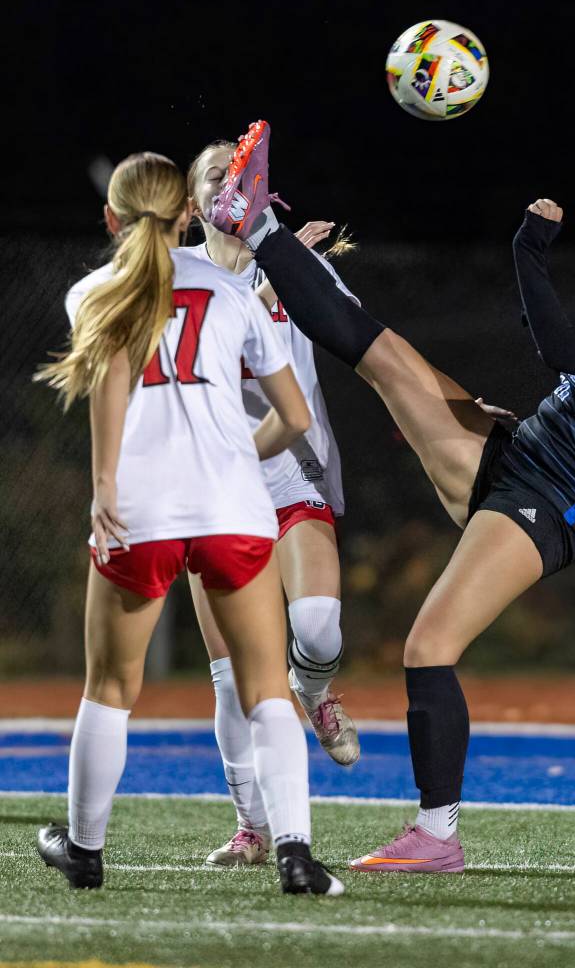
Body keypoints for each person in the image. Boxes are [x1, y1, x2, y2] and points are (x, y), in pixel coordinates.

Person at [210, 120, 575, 874]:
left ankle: (437, 835)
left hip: (545, 504)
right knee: (383, 355)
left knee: (428, 646)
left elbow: (559, 351)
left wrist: (527, 252)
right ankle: (262, 227)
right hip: (516, 464)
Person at [33, 150, 344, 896]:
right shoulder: (234, 290)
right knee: (268, 685)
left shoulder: (91, 292)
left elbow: (110, 380)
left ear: (110, 218)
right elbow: (293, 415)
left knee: (110, 687)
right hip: (232, 508)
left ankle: (85, 851)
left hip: (140, 510)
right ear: (187, 215)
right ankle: (297, 857)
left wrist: (104, 483)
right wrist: (237, 454)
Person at [185, 141, 359, 868]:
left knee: (316, 630)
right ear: (194, 201)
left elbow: (362, 342)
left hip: (292, 472)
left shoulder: (293, 263)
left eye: (241, 171)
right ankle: (252, 828)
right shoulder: (177, 279)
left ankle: (311, 689)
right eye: (215, 175)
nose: (231, 181)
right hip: (214, 485)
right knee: (229, 681)